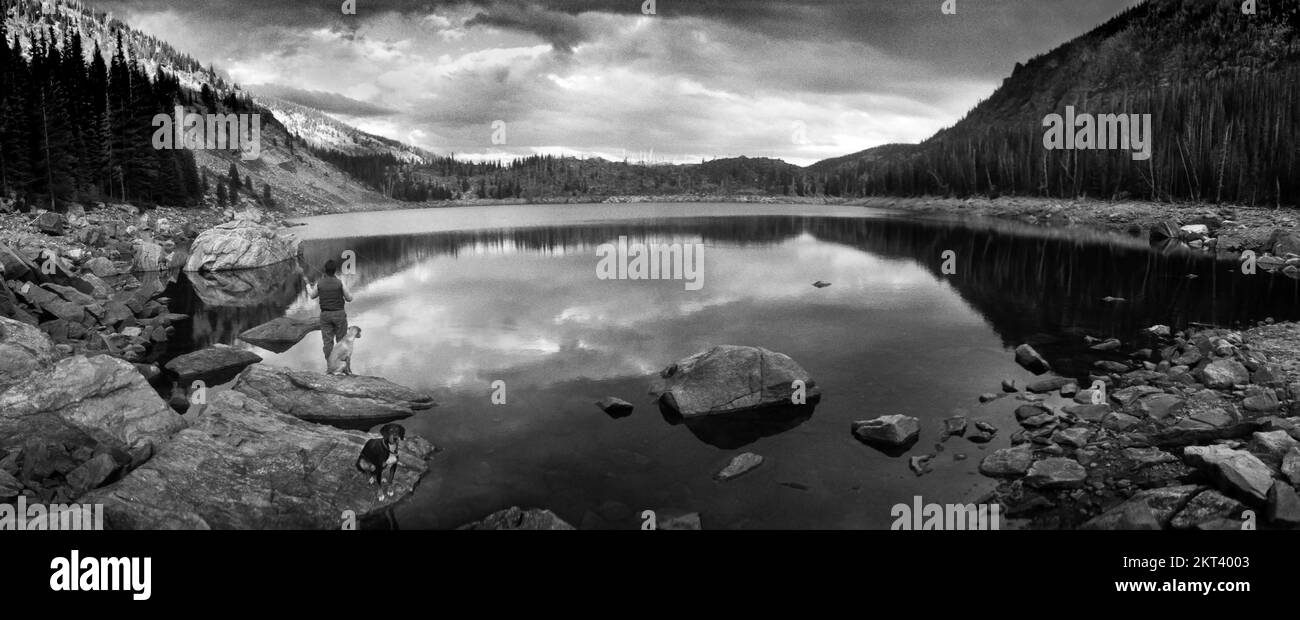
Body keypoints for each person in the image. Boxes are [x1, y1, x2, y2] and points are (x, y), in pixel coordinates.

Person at [306, 259, 353, 370]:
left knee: (328, 342)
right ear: (334, 270)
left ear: (325, 270)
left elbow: (312, 296)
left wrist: (308, 286)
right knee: (342, 341)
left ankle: (330, 366)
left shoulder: (320, 283)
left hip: (325, 315)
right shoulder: (340, 282)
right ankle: (345, 368)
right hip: (339, 315)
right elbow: (349, 298)